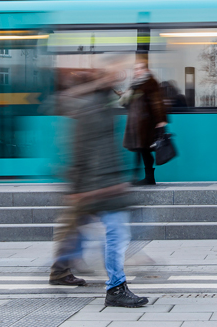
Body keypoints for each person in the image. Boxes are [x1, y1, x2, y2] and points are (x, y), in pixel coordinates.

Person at [49, 63, 149, 308]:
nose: (119, 78)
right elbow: (81, 152)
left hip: (106, 184)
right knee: (115, 235)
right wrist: (81, 189)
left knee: (109, 234)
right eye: (114, 75)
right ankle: (115, 287)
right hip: (99, 186)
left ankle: (75, 272)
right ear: (102, 80)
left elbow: (103, 150)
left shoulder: (101, 104)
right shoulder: (90, 107)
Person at [121, 58, 168, 186]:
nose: (137, 71)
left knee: (144, 150)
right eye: (135, 69)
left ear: (146, 69)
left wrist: (161, 121)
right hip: (135, 124)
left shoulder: (150, 82)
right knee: (140, 149)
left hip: (146, 124)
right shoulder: (134, 85)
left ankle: (145, 177)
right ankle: (143, 177)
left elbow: (157, 103)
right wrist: (123, 97)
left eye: (140, 68)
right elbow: (130, 105)